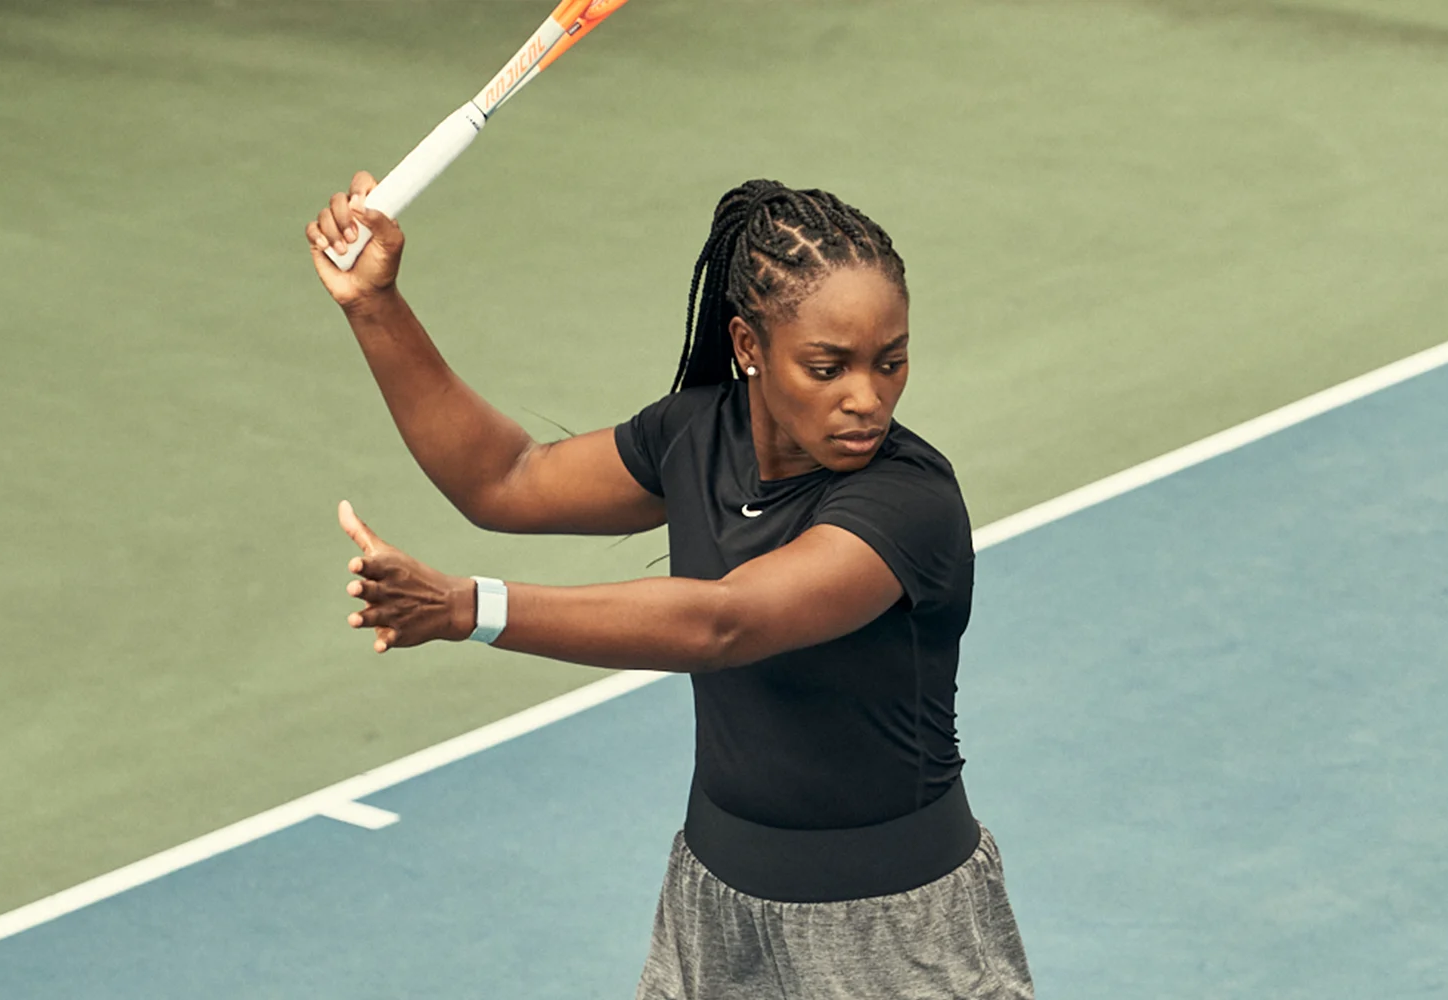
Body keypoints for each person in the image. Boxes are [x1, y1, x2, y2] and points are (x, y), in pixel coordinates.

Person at [306, 175, 1036, 999]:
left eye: (890, 362)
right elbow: (502, 479)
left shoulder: (909, 501)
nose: (865, 398)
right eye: (827, 367)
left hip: (893, 938)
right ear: (749, 344)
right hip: (714, 911)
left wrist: (470, 608)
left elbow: (725, 623)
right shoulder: (695, 435)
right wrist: (374, 305)